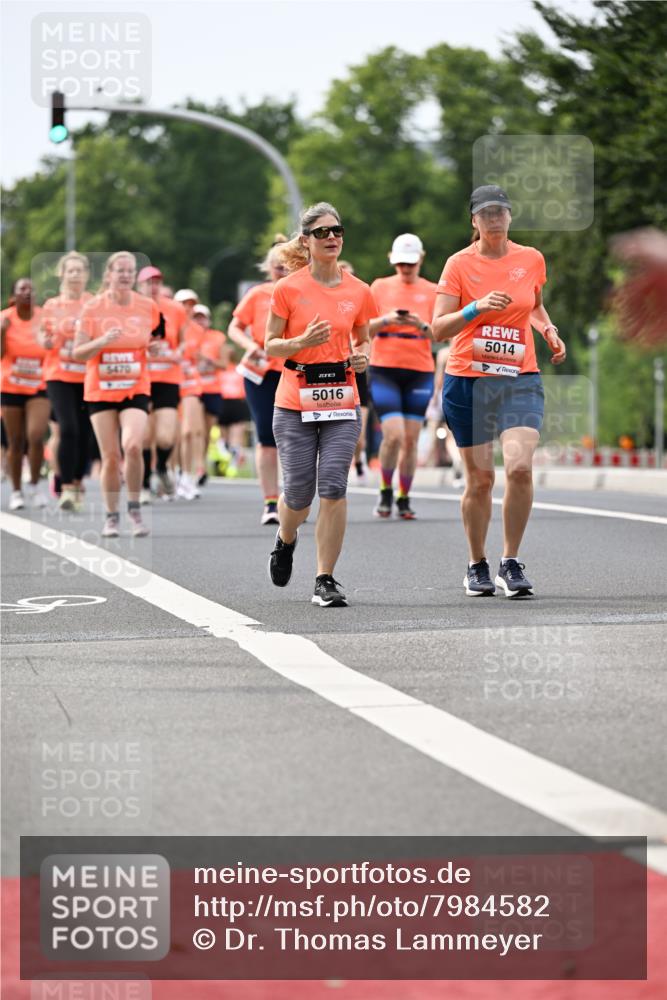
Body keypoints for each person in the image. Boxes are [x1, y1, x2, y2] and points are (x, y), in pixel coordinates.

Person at [432, 185, 566, 597]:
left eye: (500, 211)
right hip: (469, 381)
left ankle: (510, 561)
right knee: (481, 480)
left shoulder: (531, 259)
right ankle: (477, 564)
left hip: (518, 378)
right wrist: (476, 307)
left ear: (510, 216)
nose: (494, 218)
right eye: (486, 213)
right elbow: (438, 328)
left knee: (520, 468)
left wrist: (547, 329)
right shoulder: (458, 264)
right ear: (474, 220)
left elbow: (534, 304)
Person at [265, 202, 376, 607]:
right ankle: (286, 536)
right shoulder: (288, 288)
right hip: (294, 399)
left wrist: (363, 357)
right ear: (306, 241)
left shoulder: (359, 290)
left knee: (333, 485)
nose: (331, 237)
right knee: (298, 494)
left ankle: (324, 578)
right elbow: (270, 344)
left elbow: (364, 338)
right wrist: (301, 342)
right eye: (322, 232)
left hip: (342, 398)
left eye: (337, 231)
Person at [73, 251, 160, 537]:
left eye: (130, 271)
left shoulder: (147, 306)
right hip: (100, 390)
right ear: (109, 274)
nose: (125, 275)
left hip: (136, 386)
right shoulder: (92, 308)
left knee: (133, 445)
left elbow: (155, 338)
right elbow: (78, 352)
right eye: (120, 270)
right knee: (110, 456)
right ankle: (111, 516)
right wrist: (101, 341)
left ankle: (134, 510)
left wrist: (153, 347)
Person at [368, 234, 438, 519]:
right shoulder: (379, 286)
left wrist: (420, 325)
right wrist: (387, 320)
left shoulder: (433, 290)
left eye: (410, 263)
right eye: (400, 264)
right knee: (393, 435)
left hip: (419, 371)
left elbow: (442, 333)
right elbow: (362, 329)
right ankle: (385, 488)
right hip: (384, 369)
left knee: (410, 439)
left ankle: (404, 496)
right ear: (392, 260)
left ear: (421, 259)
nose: (405, 269)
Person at [227, 238, 288, 523]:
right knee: (266, 435)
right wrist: (249, 345)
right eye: (277, 266)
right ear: (268, 268)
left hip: (294, 372)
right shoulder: (257, 294)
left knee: (294, 435)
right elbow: (234, 327)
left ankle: (293, 498)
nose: (282, 270)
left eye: (286, 265)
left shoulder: (304, 292)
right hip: (261, 374)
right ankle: (271, 503)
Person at [39, 251, 93, 511]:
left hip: (88, 376)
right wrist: (45, 341)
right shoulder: (52, 306)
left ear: (86, 275)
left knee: (85, 432)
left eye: (79, 270)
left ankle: (78, 479)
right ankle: (67, 485)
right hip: (58, 375)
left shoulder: (94, 303)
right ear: (61, 274)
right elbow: (43, 336)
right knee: (68, 428)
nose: (74, 275)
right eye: (70, 270)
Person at [137, 265, 186, 501]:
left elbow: (184, 340)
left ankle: (162, 467)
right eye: (148, 282)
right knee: (145, 436)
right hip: (140, 378)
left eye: (156, 282)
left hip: (167, 377)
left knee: (166, 436)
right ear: (139, 285)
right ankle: (145, 483)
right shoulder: (132, 308)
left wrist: (180, 352)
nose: (153, 286)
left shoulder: (175, 309)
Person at [1, 278, 50, 510]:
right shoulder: (4, 318)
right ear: (14, 296)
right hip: (10, 386)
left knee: (36, 435)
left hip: (39, 385)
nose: (28, 292)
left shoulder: (43, 318)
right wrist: (2, 333)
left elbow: (51, 347)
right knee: (15, 441)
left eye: (31, 288)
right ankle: (16, 491)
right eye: (22, 289)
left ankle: (35, 485)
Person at [339, 259, 370, 483]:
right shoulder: (324, 301)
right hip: (333, 371)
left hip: (357, 372)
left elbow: (367, 337)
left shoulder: (359, 299)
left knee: (358, 434)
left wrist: (363, 354)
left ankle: (359, 461)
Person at [174, 288, 205, 500]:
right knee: (171, 435)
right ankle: (172, 472)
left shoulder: (197, 330)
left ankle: (188, 477)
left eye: (191, 304)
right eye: (184, 303)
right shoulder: (167, 325)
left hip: (191, 382)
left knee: (189, 432)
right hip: (169, 381)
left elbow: (198, 357)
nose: (188, 308)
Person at [193, 303, 229, 473]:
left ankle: (201, 462)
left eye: (203, 318)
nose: (200, 321)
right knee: (196, 430)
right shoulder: (187, 336)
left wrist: (207, 360)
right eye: (196, 318)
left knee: (207, 432)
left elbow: (224, 364)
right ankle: (198, 466)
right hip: (193, 389)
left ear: (209, 320)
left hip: (213, 389)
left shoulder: (218, 337)